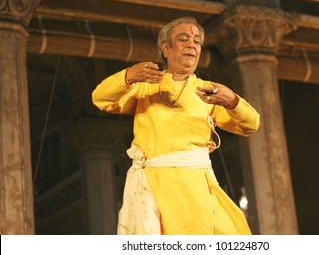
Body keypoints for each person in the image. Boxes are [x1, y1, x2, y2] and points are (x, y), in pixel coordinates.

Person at [92, 16, 260, 235]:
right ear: (166, 48)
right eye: (183, 39)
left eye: (197, 41)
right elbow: (100, 98)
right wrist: (128, 76)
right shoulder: (146, 85)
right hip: (157, 185)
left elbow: (251, 124)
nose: (192, 44)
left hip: (198, 183)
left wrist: (233, 101)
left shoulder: (207, 91)